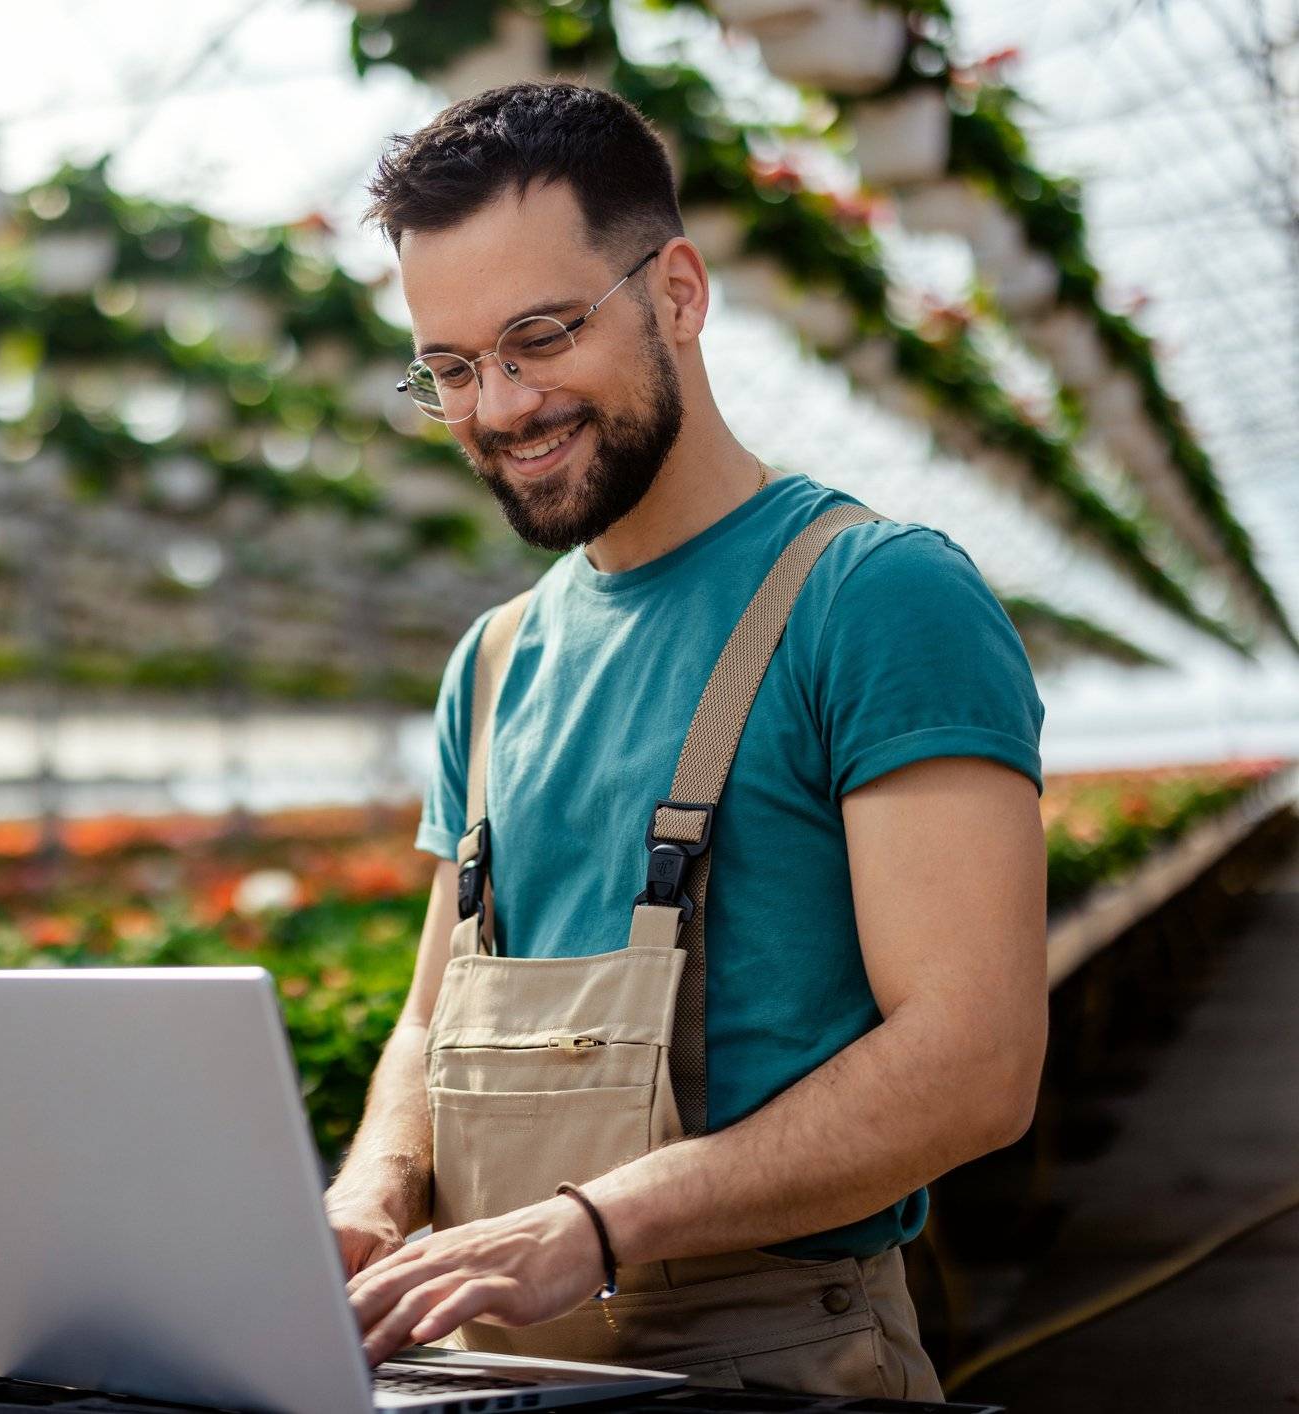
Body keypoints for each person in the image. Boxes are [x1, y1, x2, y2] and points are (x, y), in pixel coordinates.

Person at [326, 81, 1048, 1401]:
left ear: (676, 293)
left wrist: (601, 1223)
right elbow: (433, 1014)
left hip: (769, 1353)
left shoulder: (872, 595)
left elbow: (976, 1062)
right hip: (488, 1350)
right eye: (451, 367)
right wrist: (373, 1185)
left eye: (538, 336)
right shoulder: (491, 665)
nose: (498, 405)